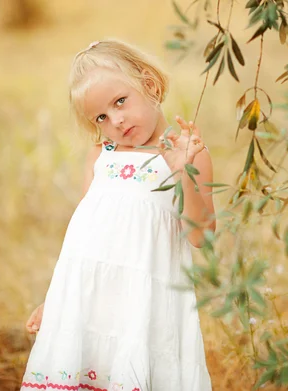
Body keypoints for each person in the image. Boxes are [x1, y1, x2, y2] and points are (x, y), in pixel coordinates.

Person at [19, 39, 215, 391]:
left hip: (145, 309)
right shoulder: (101, 155)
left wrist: (185, 173)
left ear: (149, 86)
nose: (117, 121)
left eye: (120, 101)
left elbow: (201, 236)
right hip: (91, 306)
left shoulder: (187, 154)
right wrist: (56, 298)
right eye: (101, 117)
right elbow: (82, 238)